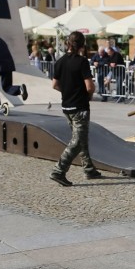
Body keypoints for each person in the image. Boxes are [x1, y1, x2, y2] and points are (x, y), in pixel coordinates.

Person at [50, 30, 101, 186]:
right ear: (82, 45)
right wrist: (88, 95)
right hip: (80, 107)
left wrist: (67, 91)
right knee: (77, 141)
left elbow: (54, 85)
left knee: (82, 138)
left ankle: (89, 169)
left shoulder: (59, 62)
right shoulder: (82, 62)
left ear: (67, 44)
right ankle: (59, 170)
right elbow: (90, 86)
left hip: (67, 106)